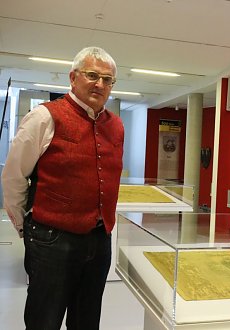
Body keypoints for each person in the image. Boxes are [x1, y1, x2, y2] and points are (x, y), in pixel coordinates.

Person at [2, 46, 124, 330]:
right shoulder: (44, 117)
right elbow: (14, 177)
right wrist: (27, 229)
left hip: (99, 239)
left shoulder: (116, 126)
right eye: (92, 75)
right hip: (51, 240)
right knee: (44, 320)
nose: (100, 84)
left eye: (108, 80)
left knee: (87, 320)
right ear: (73, 77)